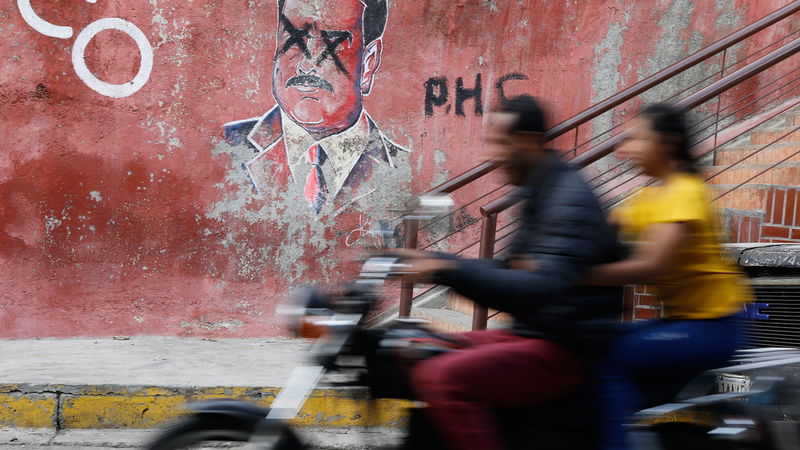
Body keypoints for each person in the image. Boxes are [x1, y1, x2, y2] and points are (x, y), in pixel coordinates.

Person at [396, 95, 623, 450]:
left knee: (443, 377)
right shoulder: (542, 189)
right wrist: (440, 263)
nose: (493, 155)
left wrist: (446, 269)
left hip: (562, 349)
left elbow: (540, 286)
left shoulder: (567, 197)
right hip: (534, 334)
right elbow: (511, 269)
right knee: (423, 347)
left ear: (527, 140)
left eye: (499, 143)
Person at [585, 104, 749, 450]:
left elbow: (651, 265)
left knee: (606, 359)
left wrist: (578, 277)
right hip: (683, 324)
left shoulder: (684, 192)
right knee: (591, 347)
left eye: (637, 139)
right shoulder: (650, 195)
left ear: (668, 143)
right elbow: (601, 231)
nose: (625, 149)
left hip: (712, 327)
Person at [223, 0, 408, 214]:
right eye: (294, 40)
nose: (306, 66)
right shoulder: (225, 149)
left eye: (332, 45)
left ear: (369, 63)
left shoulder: (406, 168)